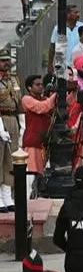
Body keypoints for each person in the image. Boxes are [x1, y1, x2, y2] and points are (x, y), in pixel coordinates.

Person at [21, 75, 57, 178]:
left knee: (42, 175)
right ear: (29, 87)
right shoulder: (26, 99)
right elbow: (42, 107)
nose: (41, 86)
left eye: (42, 84)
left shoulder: (44, 99)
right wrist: (56, 95)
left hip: (44, 143)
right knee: (33, 175)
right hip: (32, 143)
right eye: (37, 84)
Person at [0, 49, 22, 212]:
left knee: (11, 159)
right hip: (1, 119)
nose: (6, 63)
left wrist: (23, 124)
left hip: (13, 120)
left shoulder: (13, 79)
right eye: (2, 60)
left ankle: (7, 195)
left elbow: (18, 102)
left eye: (7, 60)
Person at [48, 5, 83, 74]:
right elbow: (52, 47)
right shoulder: (58, 29)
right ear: (68, 14)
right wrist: (50, 64)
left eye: (78, 12)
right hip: (64, 66)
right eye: (75, 13)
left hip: (80, 65)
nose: (78, 15)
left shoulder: (82, 27)